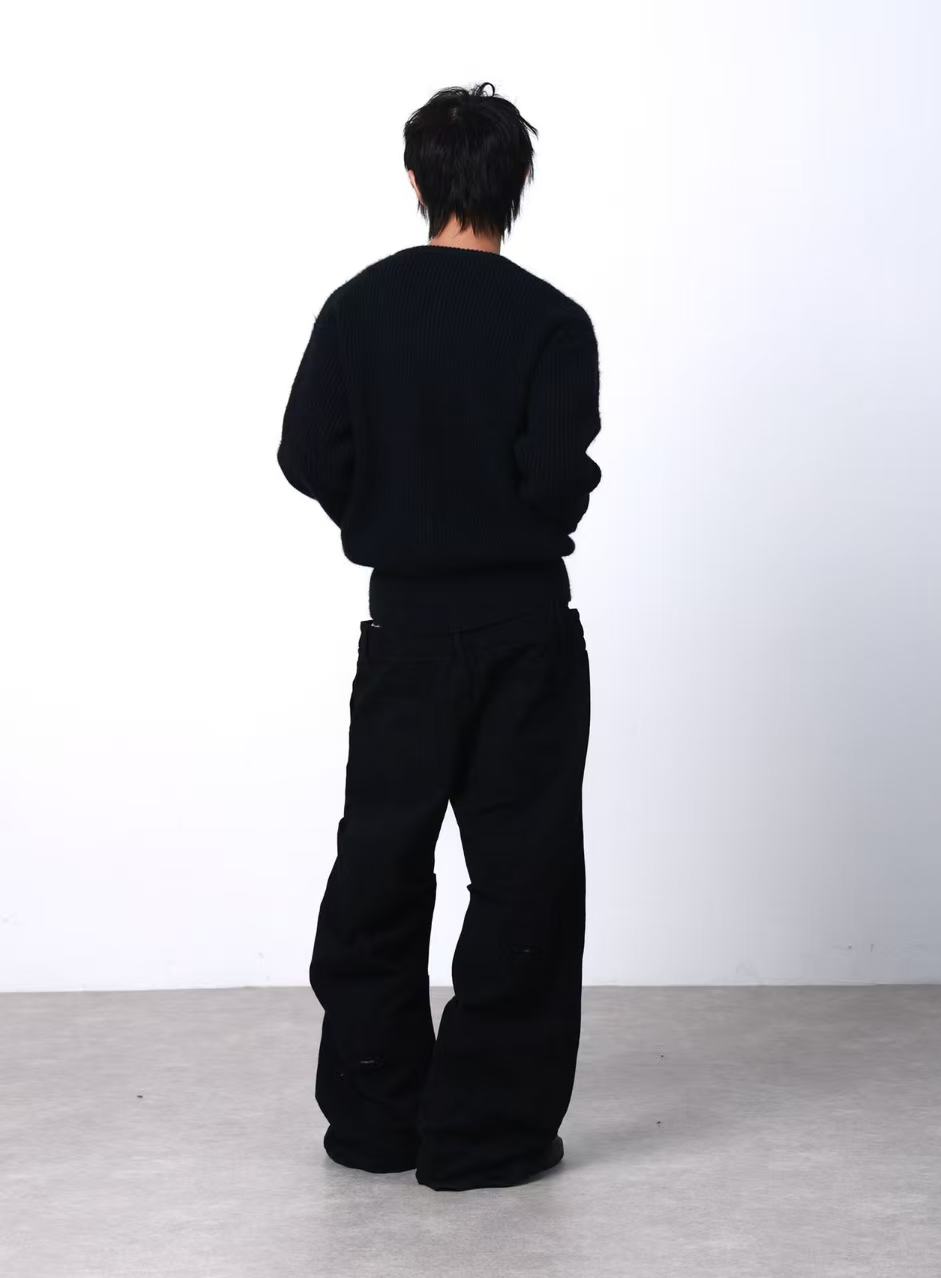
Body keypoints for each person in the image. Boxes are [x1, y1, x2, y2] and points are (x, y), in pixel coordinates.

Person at [277, 81, 602, 1191]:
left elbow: (305, 452)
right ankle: (485, 1134)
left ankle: (377, 1122)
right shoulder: (554, 322)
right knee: (523, 877)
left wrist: (387, 509)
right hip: (524, 629)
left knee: (379, 866)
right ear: (517, 184)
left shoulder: (357, 308)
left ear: (416, 180)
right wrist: (517, 514)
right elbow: (556, 476)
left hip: (406, 628)